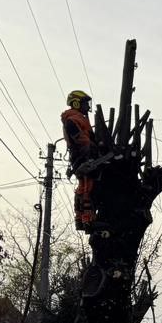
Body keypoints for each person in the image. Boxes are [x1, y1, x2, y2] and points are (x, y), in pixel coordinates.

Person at [61, 90, 101, 232]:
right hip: (82, 156)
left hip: (80, 156)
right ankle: (87, 219)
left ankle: (80, 219)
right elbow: (80, 139)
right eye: (84, 103)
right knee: (87, 187)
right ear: (76, 103)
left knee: (83, 187)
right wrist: (91, 150)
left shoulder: (79, 118)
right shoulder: (72, 119)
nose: (87, 106)